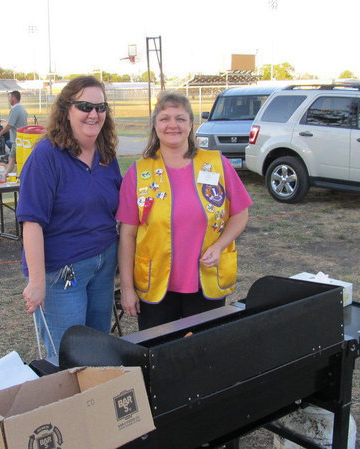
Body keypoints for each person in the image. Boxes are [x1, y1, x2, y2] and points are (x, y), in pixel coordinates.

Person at [116, 92, 251, 330]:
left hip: (206, 282)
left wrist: (220, 246)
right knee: (157, 351)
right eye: (165, 118)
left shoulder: (217, 164)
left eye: (180, 118)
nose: (172, 125)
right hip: (155, 285)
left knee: (203, 352)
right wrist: (127, 288)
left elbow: (240, 214)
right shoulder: (138, 173)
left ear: (190, 124)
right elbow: (127, 235)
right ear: (155, 125)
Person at [17, 76, 121, 354]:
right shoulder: (46, 156)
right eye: (85, 106)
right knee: (66, 356)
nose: (94, 114)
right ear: (66, 110)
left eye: (101, 108)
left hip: (103, 264)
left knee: (98, 350)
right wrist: (37, 281)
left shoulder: (106, 154)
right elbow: (31, 222)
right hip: (62, 270)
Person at [0, 90, 28, 174]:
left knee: (12, 159)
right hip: (21, 139)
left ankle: (5, 176)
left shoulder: (15, 110)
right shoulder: (23, 109)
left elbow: (10, 125)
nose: (9, 100)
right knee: (12, 159)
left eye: (10, 97)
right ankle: (6, 175)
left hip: (17, 140)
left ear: (13, 98)